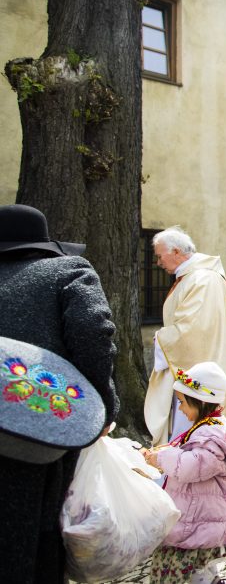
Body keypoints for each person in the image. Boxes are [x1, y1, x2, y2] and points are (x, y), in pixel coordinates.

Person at [0, 204, 119, 584]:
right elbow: (94, 336)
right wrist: (101, 407)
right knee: (37, 536)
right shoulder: (67, 271)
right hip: (41, 427)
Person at [144, 362, 226, 583]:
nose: (180, 409)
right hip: (201, 523)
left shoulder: (211, 435)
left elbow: (192, 466)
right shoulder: (211, 430)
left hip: (200, 526)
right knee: (201, 572)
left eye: (182, 403)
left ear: (199, 402)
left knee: (185, 573)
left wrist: (161, 458)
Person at [145, 227, 226, 445]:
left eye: (160, 256)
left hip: (200, 369)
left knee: (195, 436)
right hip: (194, 368)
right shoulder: (193, 277)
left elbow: (194, 331)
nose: (158, 263)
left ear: (176, 252)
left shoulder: (203, 279)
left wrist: (162, 339)